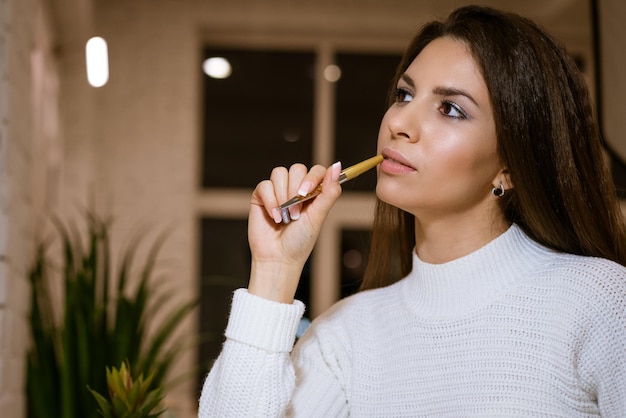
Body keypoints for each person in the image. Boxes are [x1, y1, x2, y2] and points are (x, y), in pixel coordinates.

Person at [199, 5, 626, 417]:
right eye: (404, 94)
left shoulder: (599, 301)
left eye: (451, 109)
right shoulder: (347, 335)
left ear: (510, 168)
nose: (400, 122)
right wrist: (273, 273)